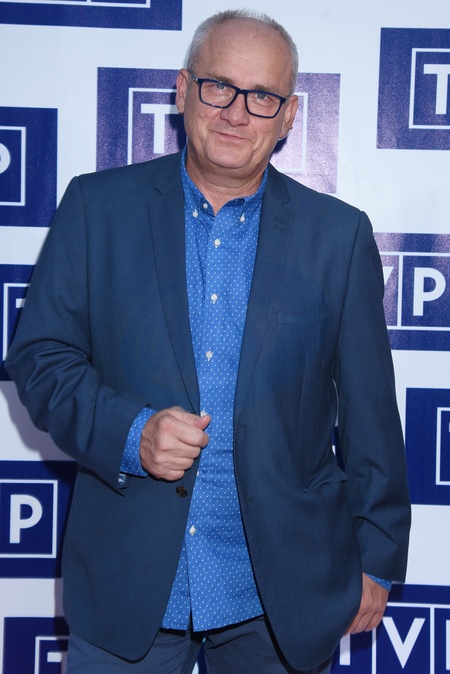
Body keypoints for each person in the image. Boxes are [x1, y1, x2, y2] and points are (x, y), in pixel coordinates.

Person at [5, 9, 411, 674]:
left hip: (283, 592)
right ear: (182, 89)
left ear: (288, 115)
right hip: (126, 580)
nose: (236, 113)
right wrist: (131, 432)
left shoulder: (337, 238)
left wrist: (378, 554)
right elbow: (40, 358)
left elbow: (371, 412)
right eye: (219, 86)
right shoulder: (95, 208)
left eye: (262, 96)